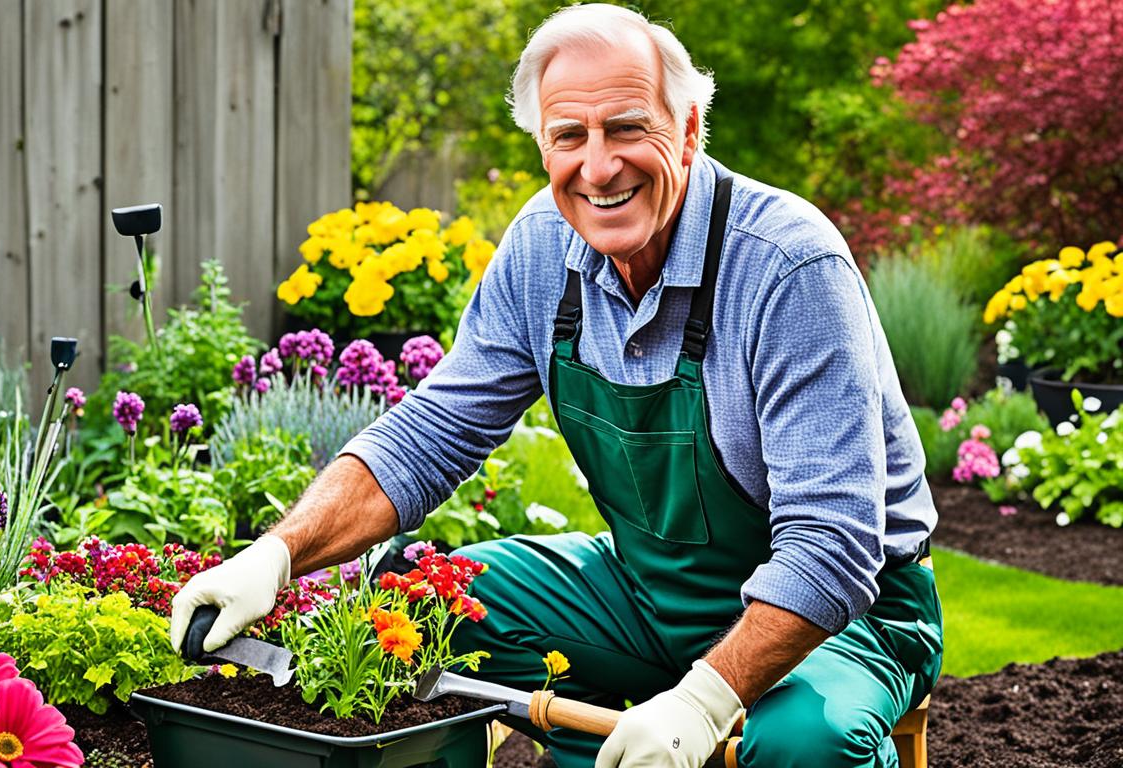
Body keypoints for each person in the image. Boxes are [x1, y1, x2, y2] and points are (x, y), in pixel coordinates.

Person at [169, 4, 942, 766]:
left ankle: (662, 726)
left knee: (802, 745)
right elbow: (430, 436)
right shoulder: (543, 247)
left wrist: (705, 699)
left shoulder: (788, 267)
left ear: (689, 127)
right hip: (649, 593)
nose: (598, 168)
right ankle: (605, 752)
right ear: (544, 146)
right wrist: (275, 555)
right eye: (569, 136)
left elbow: (835, 543)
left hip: (852, 618)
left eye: (628, 128)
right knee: (420, 602)